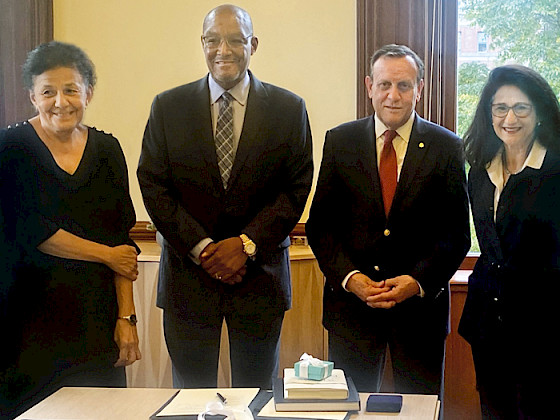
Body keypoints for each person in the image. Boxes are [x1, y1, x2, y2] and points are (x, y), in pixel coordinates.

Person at [137, 4, 312, 389]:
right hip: (188, 276)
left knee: (257, 395)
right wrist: (202, 248)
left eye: (235, 40)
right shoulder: (168, 107)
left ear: (253, 44)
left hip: (260, 277)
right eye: (213, 39)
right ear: (202, 43)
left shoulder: (288, 109)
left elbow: (296, 188)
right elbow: (153, 183)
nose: (224, 50)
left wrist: (246, 245)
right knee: (190, 396)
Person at [306, 44, 470, 398]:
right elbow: (321, 227)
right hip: (351, 310)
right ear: (369, 86)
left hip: (419, 313)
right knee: (351, 408)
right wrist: (352, 279)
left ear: (420, 89)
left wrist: (416, 281)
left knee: (420, 409)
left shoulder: (447, 147)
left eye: (404, 86)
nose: (393, 96)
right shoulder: (340, 141)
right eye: (384, 85)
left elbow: (456, 235)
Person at [0, 41, 141, 419]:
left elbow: (122, 242)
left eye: (70, 90)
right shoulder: (10, 148)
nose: (60, 102)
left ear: (88, 93)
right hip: (24, 325)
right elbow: (34, 231)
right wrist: (106, 254)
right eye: (48, 91)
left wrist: (126, 318)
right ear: (32, 96)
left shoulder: (108, 150)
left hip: (94, 321)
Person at [459, 65, 560, 419]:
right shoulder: (480, 170)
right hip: (488, 325)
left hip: (544, 330)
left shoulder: (555, 171)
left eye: (521, 108)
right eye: (500, 108)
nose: (509, 118)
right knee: (494, 412)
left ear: (539, 113)